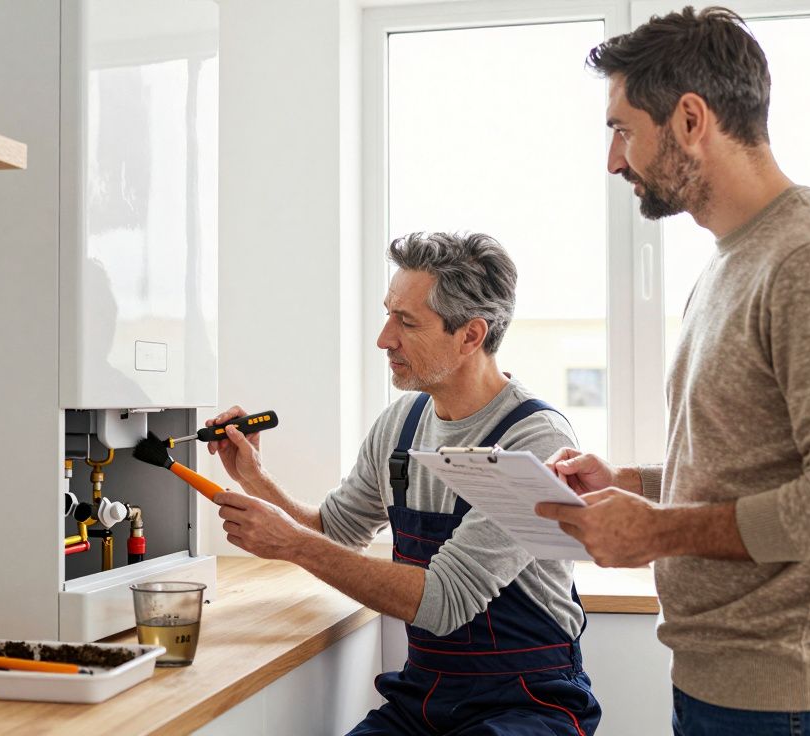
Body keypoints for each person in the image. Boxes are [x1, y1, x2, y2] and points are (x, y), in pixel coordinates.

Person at [534, 7, 810, 736]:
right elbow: (746, 460)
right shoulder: (734, 261)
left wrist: (658, 532)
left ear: (688, 120)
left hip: (799, 701)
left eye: (621, 129)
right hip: (729, 689)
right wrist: (630, 484)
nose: (613, 160)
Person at [209, 232, 602, 735]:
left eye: (407, 321)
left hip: (527, 701)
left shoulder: (535, 438)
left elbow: (443, 602)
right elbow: (339, 530)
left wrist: (291, 544)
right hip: (423, 697)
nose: (383, 338)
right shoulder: (402, 423)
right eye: (387, 313)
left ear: (470, 336)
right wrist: (256, 480)